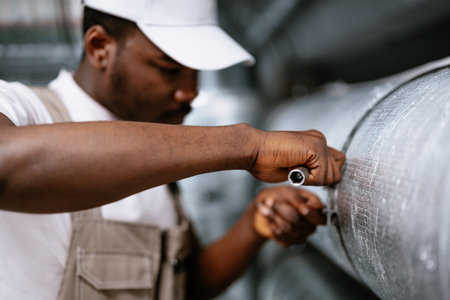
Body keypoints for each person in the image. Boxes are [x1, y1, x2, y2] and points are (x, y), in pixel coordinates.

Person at [0, 0, 345, 299]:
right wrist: (248, 146)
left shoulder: (156, 142)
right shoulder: (23, 108)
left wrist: (255, 224)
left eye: (197, 73)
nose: (190, 92)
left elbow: (184, 284)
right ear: (100, 47)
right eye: (169, 69)